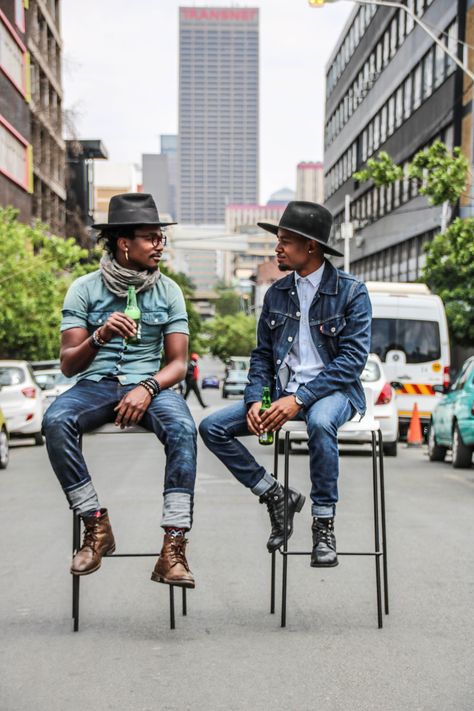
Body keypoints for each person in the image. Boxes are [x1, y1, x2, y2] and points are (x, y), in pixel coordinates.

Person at [200, 201, 371, 567]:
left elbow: (352, 361)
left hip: (333, 392)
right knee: (212, 427)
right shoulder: (276, 293)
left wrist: (301, 399)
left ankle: (323, 524)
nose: (277, 248)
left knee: (321, 422)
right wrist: (255, 400)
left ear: (311, 246)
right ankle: (276, 495)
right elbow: (262, 355)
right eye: (277, 240)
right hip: (282, 391)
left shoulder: (352, 292)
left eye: (285, 241)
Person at [42, 193, 196, 588]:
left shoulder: (169, 292)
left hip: (151, 387)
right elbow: (68, 363)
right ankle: (95, 526)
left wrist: (147, 386)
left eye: (161, 237)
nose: (160, 245)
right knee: (56, 420)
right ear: (124, 243)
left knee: (183, 429)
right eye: (151, 237)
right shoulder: (83, 289)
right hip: (95, 386)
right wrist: (100, 334)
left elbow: (178, 363)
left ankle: (173, 549)